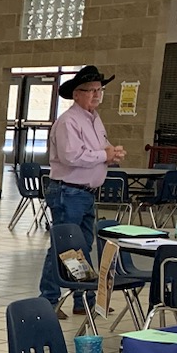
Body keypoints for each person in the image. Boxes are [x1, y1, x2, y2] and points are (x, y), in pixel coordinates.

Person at [43, 65, 124, 319]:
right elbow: (71, 156)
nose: (96, 95)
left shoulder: (94, 119)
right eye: (90, 91)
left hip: (85, 193)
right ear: (76, 94)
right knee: (63, 246)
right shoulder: (68, 121)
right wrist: (104, 155)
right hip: (68, 191)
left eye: (99, 90)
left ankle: (83, 298)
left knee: (83, 246)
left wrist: (112, 154)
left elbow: (101, 146)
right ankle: (48, 300)